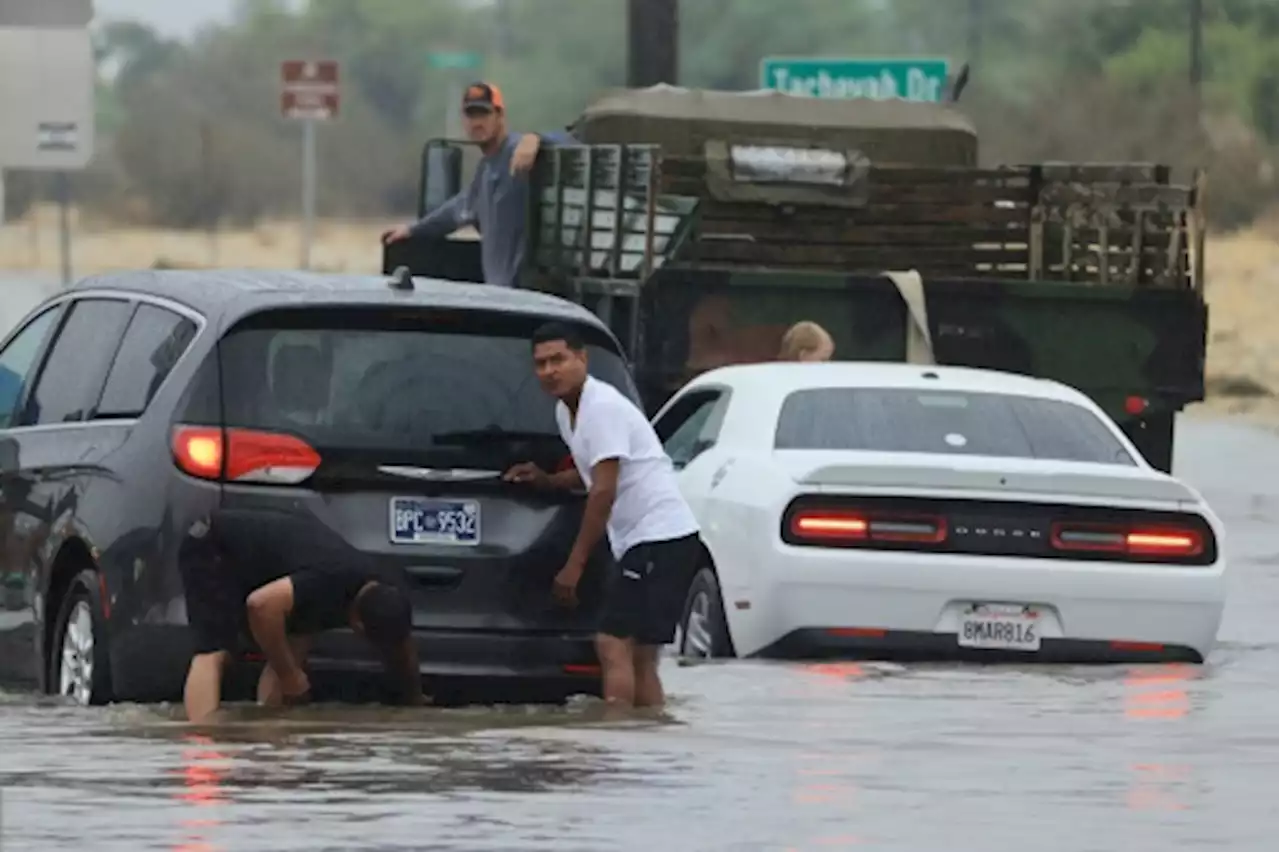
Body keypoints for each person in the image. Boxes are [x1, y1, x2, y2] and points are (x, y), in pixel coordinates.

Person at [503, 322, 701, 710]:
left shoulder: (601, 408)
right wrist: (548, 480)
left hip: (660, 537)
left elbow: (604, 489)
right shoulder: (568, 411)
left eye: (558, 360)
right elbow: (591, 469)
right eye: (540, 364)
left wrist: (574, 565)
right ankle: (645, 747)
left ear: (582, 358)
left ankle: (616, 741)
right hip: (652, 541)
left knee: (613, 642)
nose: (549, 371)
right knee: (641, 654)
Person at [381, 81, 576, 287]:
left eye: (484, 114)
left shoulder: (519, 151)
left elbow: (573, 143)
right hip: (499, 294)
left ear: (500, 116)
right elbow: (456, 210)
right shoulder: (485, 171)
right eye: (470, 115)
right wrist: (412, 230)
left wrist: (537, 139)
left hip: (525, 296)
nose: (476, 122)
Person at [246, 563, 425, 709]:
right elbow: (261, 605)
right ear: (357, 625)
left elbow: (404, 649)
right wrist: (289, 675)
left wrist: (415, 698)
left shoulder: (391, 596)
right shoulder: (326, 583)